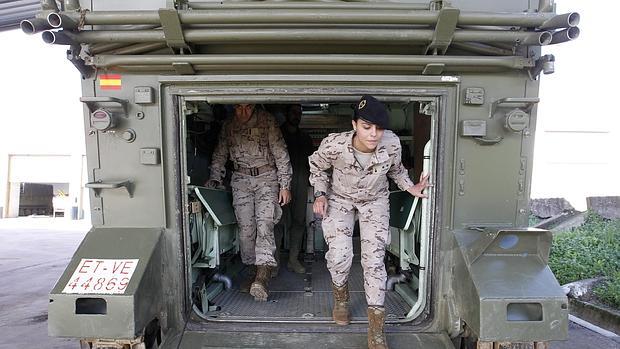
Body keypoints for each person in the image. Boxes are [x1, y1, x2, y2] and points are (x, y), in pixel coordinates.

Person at [308, 95, 429, 349]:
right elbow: (316, 167)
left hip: (374, 200)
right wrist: (319, 194)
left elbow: (396, 170)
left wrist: (411, 187)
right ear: (354, 125)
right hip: (339, 198)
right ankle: (341, 298)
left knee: (374, 261)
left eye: (379, 128)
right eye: (367, 127)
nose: (374, 134)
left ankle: (376, 328)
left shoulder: (392, 144)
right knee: (340, 254)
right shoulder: (334, 145)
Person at [207, 103, 292, 301]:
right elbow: (220, 154)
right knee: (246, 230)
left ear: (254, 107)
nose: (244, 112)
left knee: (265, 225)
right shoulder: (228, 125)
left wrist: (285, 185)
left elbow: (280, 152)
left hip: (266, 178)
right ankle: (252, 271)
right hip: (241, 180)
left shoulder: (266, 120)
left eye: (248, 108)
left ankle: (262, 277)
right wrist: (214, 178)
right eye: (238, 108)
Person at [274, 104, 314, 274]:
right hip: (279, 185)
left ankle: (293, 260)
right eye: (293, 112)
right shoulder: (277, 134)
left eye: (299, 113)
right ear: (286, 114)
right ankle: (273, 263)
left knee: (298, 222)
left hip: (300, 183)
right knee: (277, 222)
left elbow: (313, 162)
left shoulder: (305, 138)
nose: (296, 115)